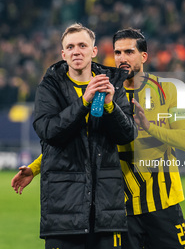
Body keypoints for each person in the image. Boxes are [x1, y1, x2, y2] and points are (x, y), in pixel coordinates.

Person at [12, 28, 185, 249]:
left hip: (164, 202)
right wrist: (35, 167)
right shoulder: (107, 92)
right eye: (118, 53)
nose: (122, 58)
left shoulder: (169, 90)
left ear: (143, 56)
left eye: (129, 52)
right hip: (122, 207)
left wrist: (149, 127)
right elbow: (86, 140)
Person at [20, 23, 137, 249]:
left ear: (93, 51)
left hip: (106, 212)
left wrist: (112, 106)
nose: (77, 51)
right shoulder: (49, 87)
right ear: (63, 54)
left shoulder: (112, 83)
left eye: (82, 45)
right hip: (64, 211)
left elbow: (127, 134)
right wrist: (84, 101)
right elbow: (48, 131)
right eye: (71, 47)